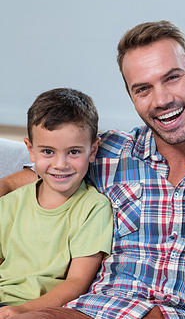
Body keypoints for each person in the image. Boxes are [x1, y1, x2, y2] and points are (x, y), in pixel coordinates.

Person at [0, 21, 185, 319]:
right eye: (143, 89)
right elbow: (18, 182)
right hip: (96, 310)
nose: (161, 100)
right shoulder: (106, 152)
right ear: (131, 96)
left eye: (172, 78)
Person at [0, 88, 113, 317]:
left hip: (42, 310)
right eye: (48, 151)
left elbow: (77, 282)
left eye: (73, 152)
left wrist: (21, 309)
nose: (60, 164)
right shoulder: (9, 203)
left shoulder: (94, 207)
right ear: (31, 150)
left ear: (93, 151)